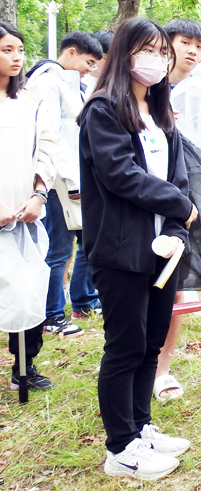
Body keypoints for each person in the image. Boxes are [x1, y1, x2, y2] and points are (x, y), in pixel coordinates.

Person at [78, 17, 198, 480]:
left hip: (161, 250)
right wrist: (180, 204)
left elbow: (178, 178)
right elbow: (120, 174)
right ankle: (120, 447)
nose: (158, 59)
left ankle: (141, 427)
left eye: (162, 52)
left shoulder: (161, 115)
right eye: (147, 50)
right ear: (125, 53)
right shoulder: (104, 111)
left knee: (150, 344)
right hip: (120, 251)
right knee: (124, 346)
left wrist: (177, 228)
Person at [153, 17, 201, 400]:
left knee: (179, 287)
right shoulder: (144, 85)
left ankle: (162, 368)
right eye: (185, 42)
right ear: (166, 44)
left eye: (199, 45)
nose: (193, 51)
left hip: (185, 202)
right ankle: (136, 362)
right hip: (142, 201)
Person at [26, 30, 103, 335]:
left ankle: (74, 303)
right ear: (71, 52)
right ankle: (51, 315)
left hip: (72, 178)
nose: (90, 68)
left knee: (79, 244)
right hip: (56, 181)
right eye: (89, 61)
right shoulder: (47, 81)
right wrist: (69, 181)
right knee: (57, 249)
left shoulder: (70, 82)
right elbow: (51, 138)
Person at [0, 23, 57, 391]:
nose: (17, 57)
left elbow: (48, 149)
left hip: (23, 216)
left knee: (29, 287)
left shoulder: (32, 103)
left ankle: (24, 364)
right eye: (7, 50)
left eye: (20, 49)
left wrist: (39, 195)